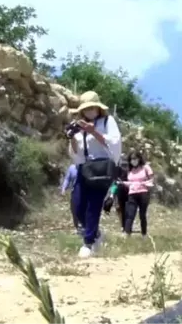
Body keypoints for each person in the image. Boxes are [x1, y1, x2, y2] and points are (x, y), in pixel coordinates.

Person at [67, 91, 122, 259]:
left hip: (102, 168)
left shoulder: (108, 121)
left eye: (93, 107)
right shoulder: (80, 126)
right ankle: (96, 233)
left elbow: (114, 144)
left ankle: (88, 243)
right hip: (85, 168)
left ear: (99, 108)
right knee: (77, 205)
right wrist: (71, 138)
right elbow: (76, 154)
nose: (90, 111)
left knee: (93, 205)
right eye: (86, 108)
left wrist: (94, 132)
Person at [122, 151, 154, 237]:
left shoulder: (145, 167)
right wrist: (123, 183)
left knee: (142, 214)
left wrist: (145, 184)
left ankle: (144, 233)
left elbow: (151, 180)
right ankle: (127, 233)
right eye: (131, 159)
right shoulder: (130, 170)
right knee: (130, 214)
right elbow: (130, 182)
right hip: (132, 193)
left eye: (135, 158)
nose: (133, 161)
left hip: (143, 193)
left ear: (139, 159)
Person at [60, 164, 81, 230]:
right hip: (75, 192)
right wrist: (63, 188)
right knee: (74, 210)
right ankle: (77, 225)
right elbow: (67, 179)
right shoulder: (72, 168)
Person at [115, 157, 130, 233]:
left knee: (127, 209)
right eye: (123, 165)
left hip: (128, 190)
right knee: (119, 208)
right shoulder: (116, 170)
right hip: (119, 190)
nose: (124, 167)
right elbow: (114, 182)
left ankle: (126, 225)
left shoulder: (130, 170)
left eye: (125, 165)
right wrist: (112, 193)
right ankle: (122, 225)